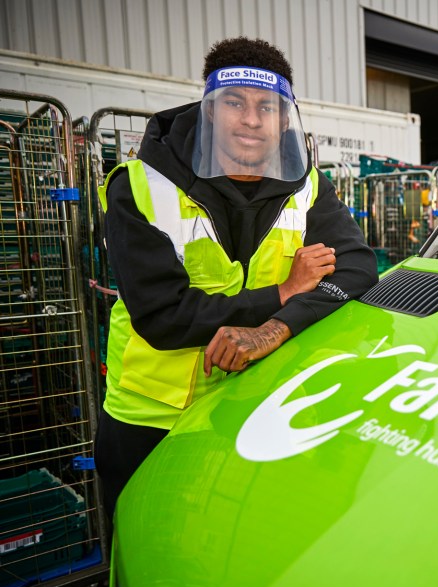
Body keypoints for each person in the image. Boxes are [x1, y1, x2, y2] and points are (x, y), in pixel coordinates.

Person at [93, 37, 379, 520]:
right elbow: (162, 316)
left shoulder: (306, 185)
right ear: (208, 111)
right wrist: (284, 293)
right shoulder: (141, 186)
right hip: (151, 419)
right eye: (234, 103)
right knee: (141, 549)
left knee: (231, 538)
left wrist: (276, 328)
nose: (251, 119)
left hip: (251, 407)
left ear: (284, 119)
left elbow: (357, 269)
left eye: (267, 106)